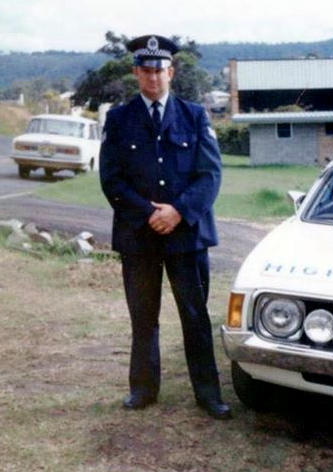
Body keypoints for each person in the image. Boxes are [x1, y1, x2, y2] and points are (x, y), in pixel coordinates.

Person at [99, 34, 231, 420]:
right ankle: (142, 390)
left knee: (195, 316)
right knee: (143, 316)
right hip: (139, 236)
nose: (153, 77)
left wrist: (176, 211)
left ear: (171, 72)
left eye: (159, 70)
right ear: (136, 73)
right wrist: (148, 214)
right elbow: (111, 179)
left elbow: (210, 175)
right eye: (145, 70)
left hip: (186, 236)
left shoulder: (194, 115)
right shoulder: (119, 119)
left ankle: (208, 395)